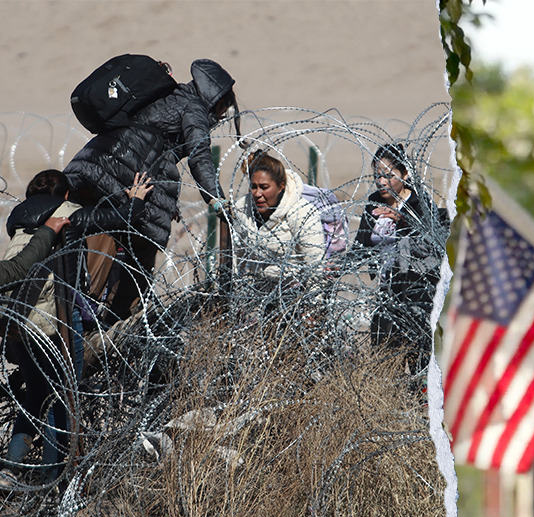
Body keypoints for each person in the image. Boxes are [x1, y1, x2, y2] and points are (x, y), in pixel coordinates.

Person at [63, 59, 238, 325]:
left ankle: (84, 314)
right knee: (136, 249)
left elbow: (153, 149)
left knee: (87, 234)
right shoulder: (194, 108)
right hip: (124, 172)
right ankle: (100, 324)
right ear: (218, 100)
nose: (223, 118)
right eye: (224, 110)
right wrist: (216, 199)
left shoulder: (171, 96)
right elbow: (200, 157)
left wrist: (167, 200)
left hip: (98, 159)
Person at [2, 169, 153, 472]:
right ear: (67, 195)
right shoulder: (69, 214)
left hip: (16, 323)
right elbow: (122, 219)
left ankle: (10, 470)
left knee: (35, 396)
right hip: (53, 322)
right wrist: (135, 199)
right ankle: (52, 480)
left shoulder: (18, 222)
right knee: (61, 398)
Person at [354, 143, 445, 374]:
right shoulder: (374, 203)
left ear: (405, 174)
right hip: (387, 294)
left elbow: (432, 246)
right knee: (383, 365)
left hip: (418, 295)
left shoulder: (419, 204)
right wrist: (338, 264)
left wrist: (402, 220)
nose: (381, 182)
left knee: (420, 366)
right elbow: (361, 245)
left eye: (388, 176)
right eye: (377, 176)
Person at [230, 150, 326, 279]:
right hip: (254, 292)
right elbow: (238, 259)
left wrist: (311, 298)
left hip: (295, 292)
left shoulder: (302, 212)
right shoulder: (242, 208)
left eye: (264, 187)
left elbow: (316, 268)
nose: (257, 194)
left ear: (281, 186)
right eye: (253, 187)